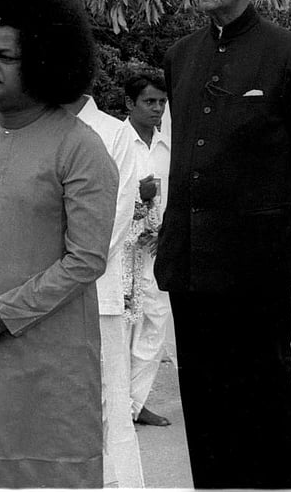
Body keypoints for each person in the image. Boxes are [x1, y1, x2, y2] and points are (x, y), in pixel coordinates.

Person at [153, 0, 291, 489]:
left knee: (263, 400)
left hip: (257, 266)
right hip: (190, 262)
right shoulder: (181, 55)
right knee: (203, 401)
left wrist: (273, 239)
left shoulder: (288, 52)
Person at [0, 0, 117, 488]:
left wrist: (5, 312)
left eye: (5, 57)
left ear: (42, 62)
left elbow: (86, 258)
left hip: (49, 358)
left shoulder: (80, 147)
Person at [62, 87, 144, 487]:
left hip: (97, 291)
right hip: (39, 300)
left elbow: (115, 220)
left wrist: (60, 275)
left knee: (112, 407)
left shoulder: (114, 134)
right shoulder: (38, 129)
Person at [122, 70, 174, 426]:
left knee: (154, 325)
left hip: (158, 250)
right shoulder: (114, 141)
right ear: (130, 103)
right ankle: (116, 407)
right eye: (149, 102)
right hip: (121, 251)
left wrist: (163, 231)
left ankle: (135, 404)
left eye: (161, 102)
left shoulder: (168, 146)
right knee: (123, 327)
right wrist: (135, 214)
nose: (157, 109)